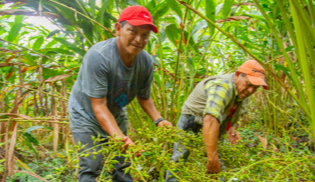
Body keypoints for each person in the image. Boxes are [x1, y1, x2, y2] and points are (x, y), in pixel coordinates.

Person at [68, 5, 172, 182]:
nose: (139, 40)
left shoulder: (146, 61)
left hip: (115, 111)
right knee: (91, 164)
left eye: (145, 35)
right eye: (132, 31)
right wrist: (121, 138)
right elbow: (98, 105)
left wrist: (159, 120)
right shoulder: (99, 56)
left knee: (122, 163)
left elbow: (144, 96)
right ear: (118, 29)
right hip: (86, 115)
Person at [165, 60, 268, 181]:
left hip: (216, 123)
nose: (251, 91)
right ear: (237, 75)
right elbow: (210, 120)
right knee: (180, 157)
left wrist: (231, 129)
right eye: (249, 84)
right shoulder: (222, 86)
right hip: (192, 119)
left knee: (220, 160)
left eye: (255, 88)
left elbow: (233, 112)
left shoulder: (243, 92)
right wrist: (212, 158)